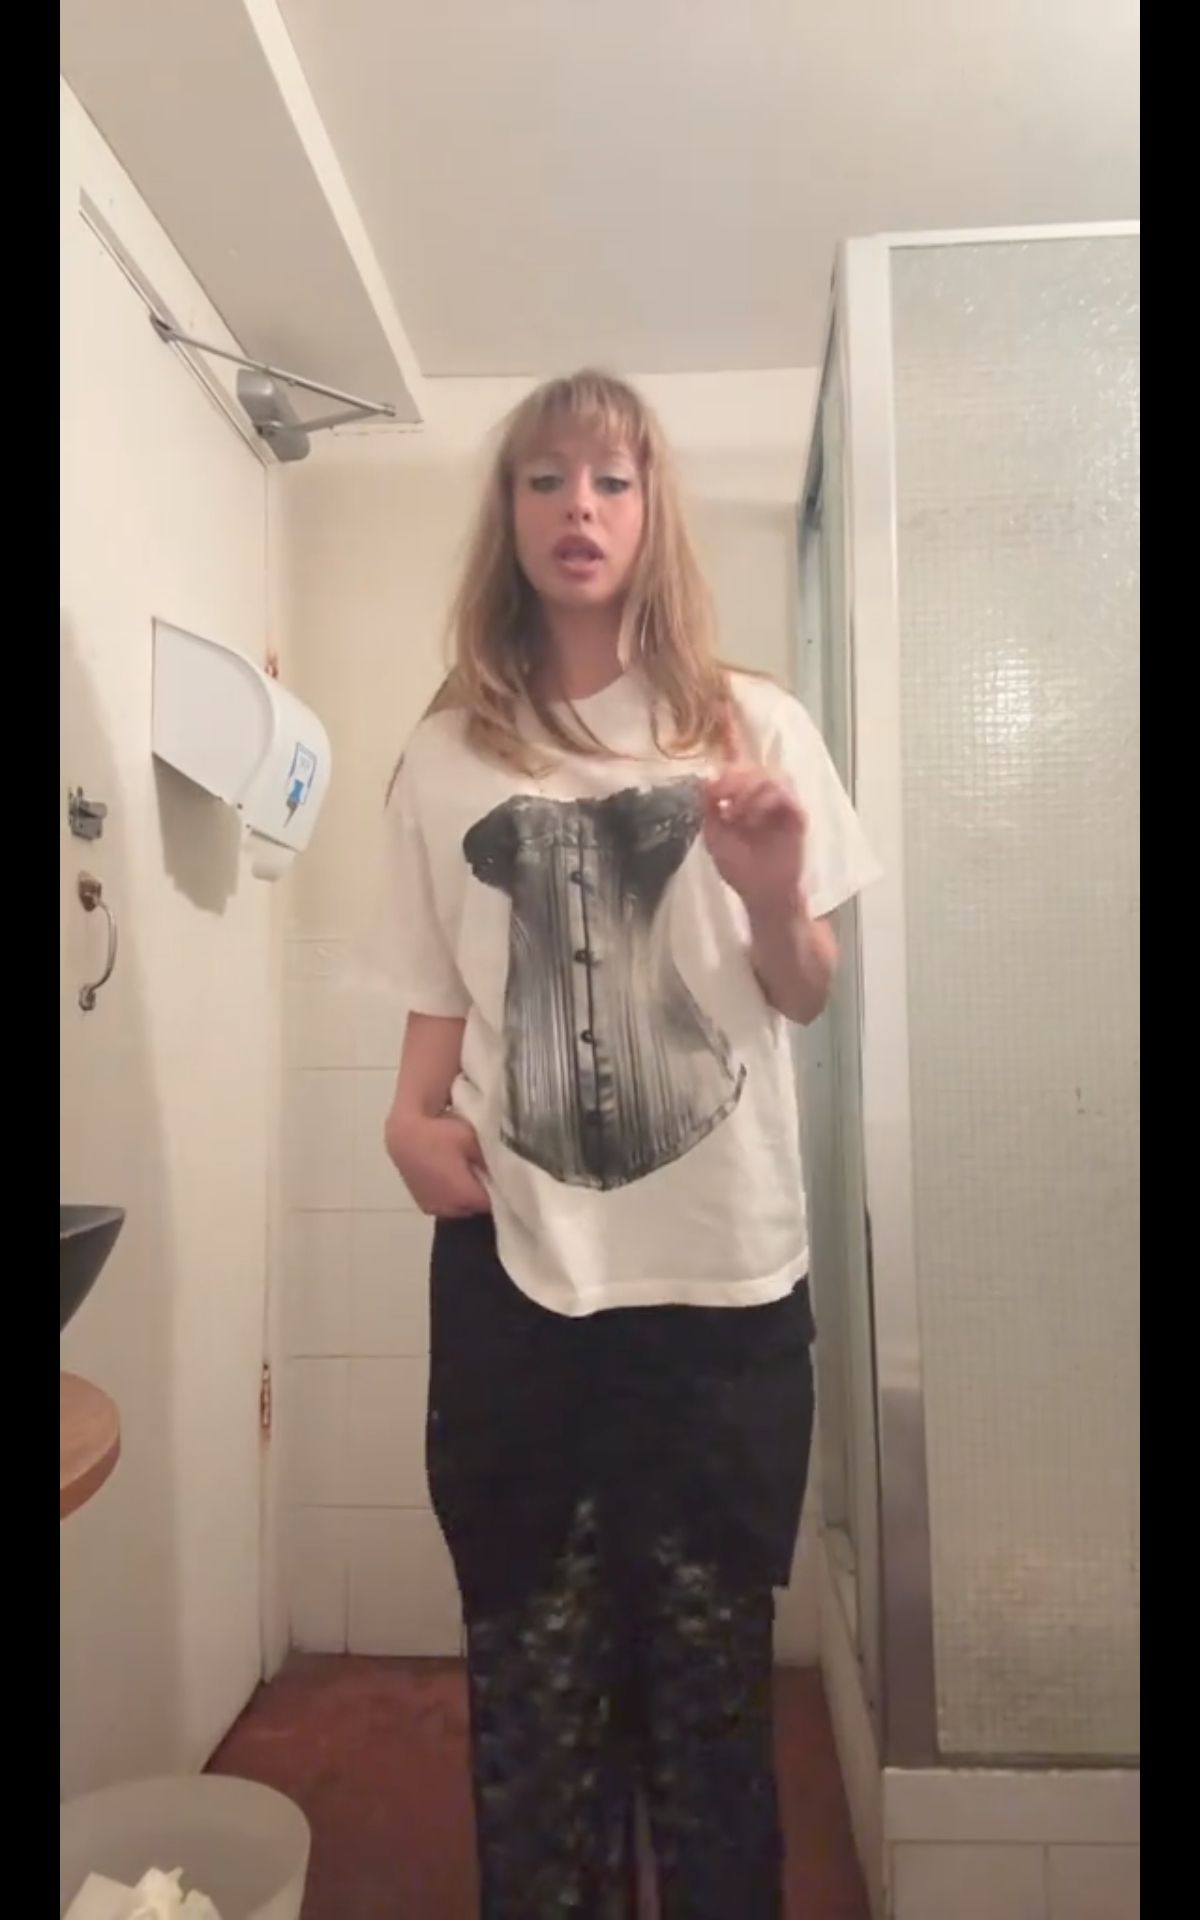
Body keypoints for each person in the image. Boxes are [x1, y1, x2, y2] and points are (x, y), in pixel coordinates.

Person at [379, 370, 879, 1918]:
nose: (577, 510)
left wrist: (775, 891)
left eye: (609, 480)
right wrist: (404, 1120)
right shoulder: (445, 752)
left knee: (713, 1712)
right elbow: (435, 996)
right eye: (544, 480)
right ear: (509, 515)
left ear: (653, 510)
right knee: (534, 1710)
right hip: (521, 1288)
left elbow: (803, 991)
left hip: (722, 1297)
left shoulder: (753, 727)